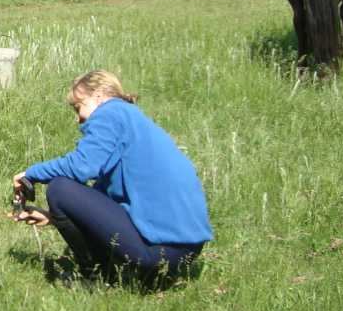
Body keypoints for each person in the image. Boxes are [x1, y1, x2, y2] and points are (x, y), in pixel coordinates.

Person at [11, 70, 212, 284]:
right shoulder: (131, 123)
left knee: (60, 189)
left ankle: (94, 278)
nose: (78, 119)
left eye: (78, 107)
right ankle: (122, 276)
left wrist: (31, 174)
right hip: (183, 254)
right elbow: (102, 207)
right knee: (68, 192)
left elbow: (81, 167)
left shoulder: (110, 113)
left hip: (159, 251)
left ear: (98, 96)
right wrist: (54, 218)